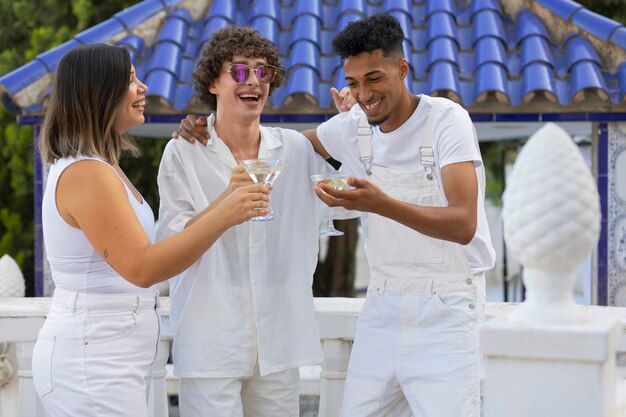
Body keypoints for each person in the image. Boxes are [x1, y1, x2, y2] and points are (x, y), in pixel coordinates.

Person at [176, 12, 496, 417]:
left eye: (374, 78)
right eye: (353, 83)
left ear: (402, 69)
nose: (364, 94)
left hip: (447, 308)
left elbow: (464, 223)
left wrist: (380, 204)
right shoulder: (354, 127)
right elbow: (279, 147)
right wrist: (202, 124)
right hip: (382, 301)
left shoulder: (446, 121)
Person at [33, 43, 269, 417]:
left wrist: (226, 198)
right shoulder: (88, 174)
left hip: (106, 358)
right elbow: (143, 268)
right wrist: (226, 214)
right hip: (92, 363)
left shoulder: (101, 166)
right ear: (100, 91)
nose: (143, 88)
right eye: (130, 80)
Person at [155, 26, 330, 417]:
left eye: (263, 72)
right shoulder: (183, 152)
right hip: (210, 338)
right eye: (238, 71)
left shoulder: (295, 149)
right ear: (213, 83)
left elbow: (347, 199)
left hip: (278, 341)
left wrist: (355, 121)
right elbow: (169, 244)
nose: (253, 81)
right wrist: (225, 209)